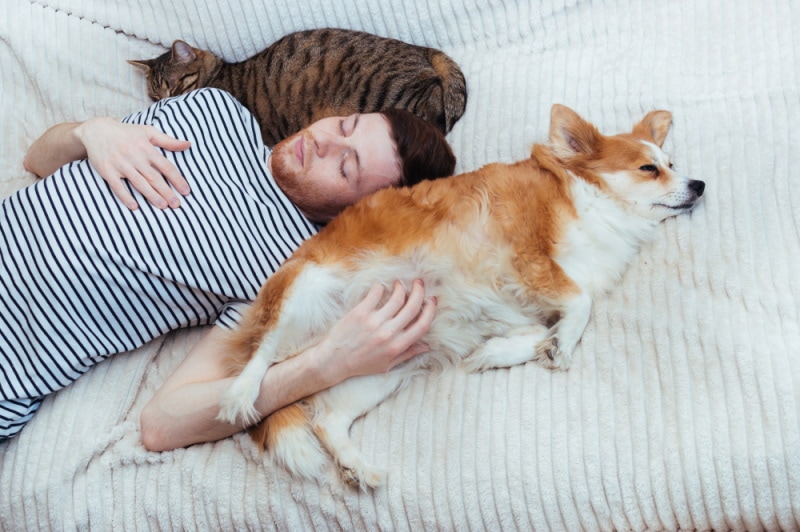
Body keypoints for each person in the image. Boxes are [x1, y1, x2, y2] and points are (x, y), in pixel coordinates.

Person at [1, 87, 456, 447]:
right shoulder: (213, 110)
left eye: (345, 165)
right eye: (344, 125)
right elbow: (37, 160)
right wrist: (92, 131)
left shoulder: (291, 267)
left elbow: (162, 424)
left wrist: (328, 363)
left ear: (357, 211)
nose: (322, 140)